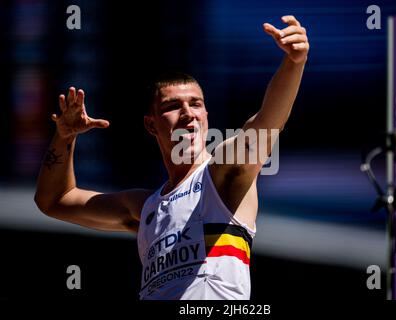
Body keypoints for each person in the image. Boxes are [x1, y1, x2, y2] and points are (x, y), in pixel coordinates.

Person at [34, 15, 309, 300]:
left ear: (205, 117)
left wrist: (294, 63)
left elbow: (266, 124)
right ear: (151, 125)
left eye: (196, 104)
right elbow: (54, 200)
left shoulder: (222, 175)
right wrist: (65, 137)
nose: (188, 113)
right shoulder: (144, 207)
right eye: (173, 106)